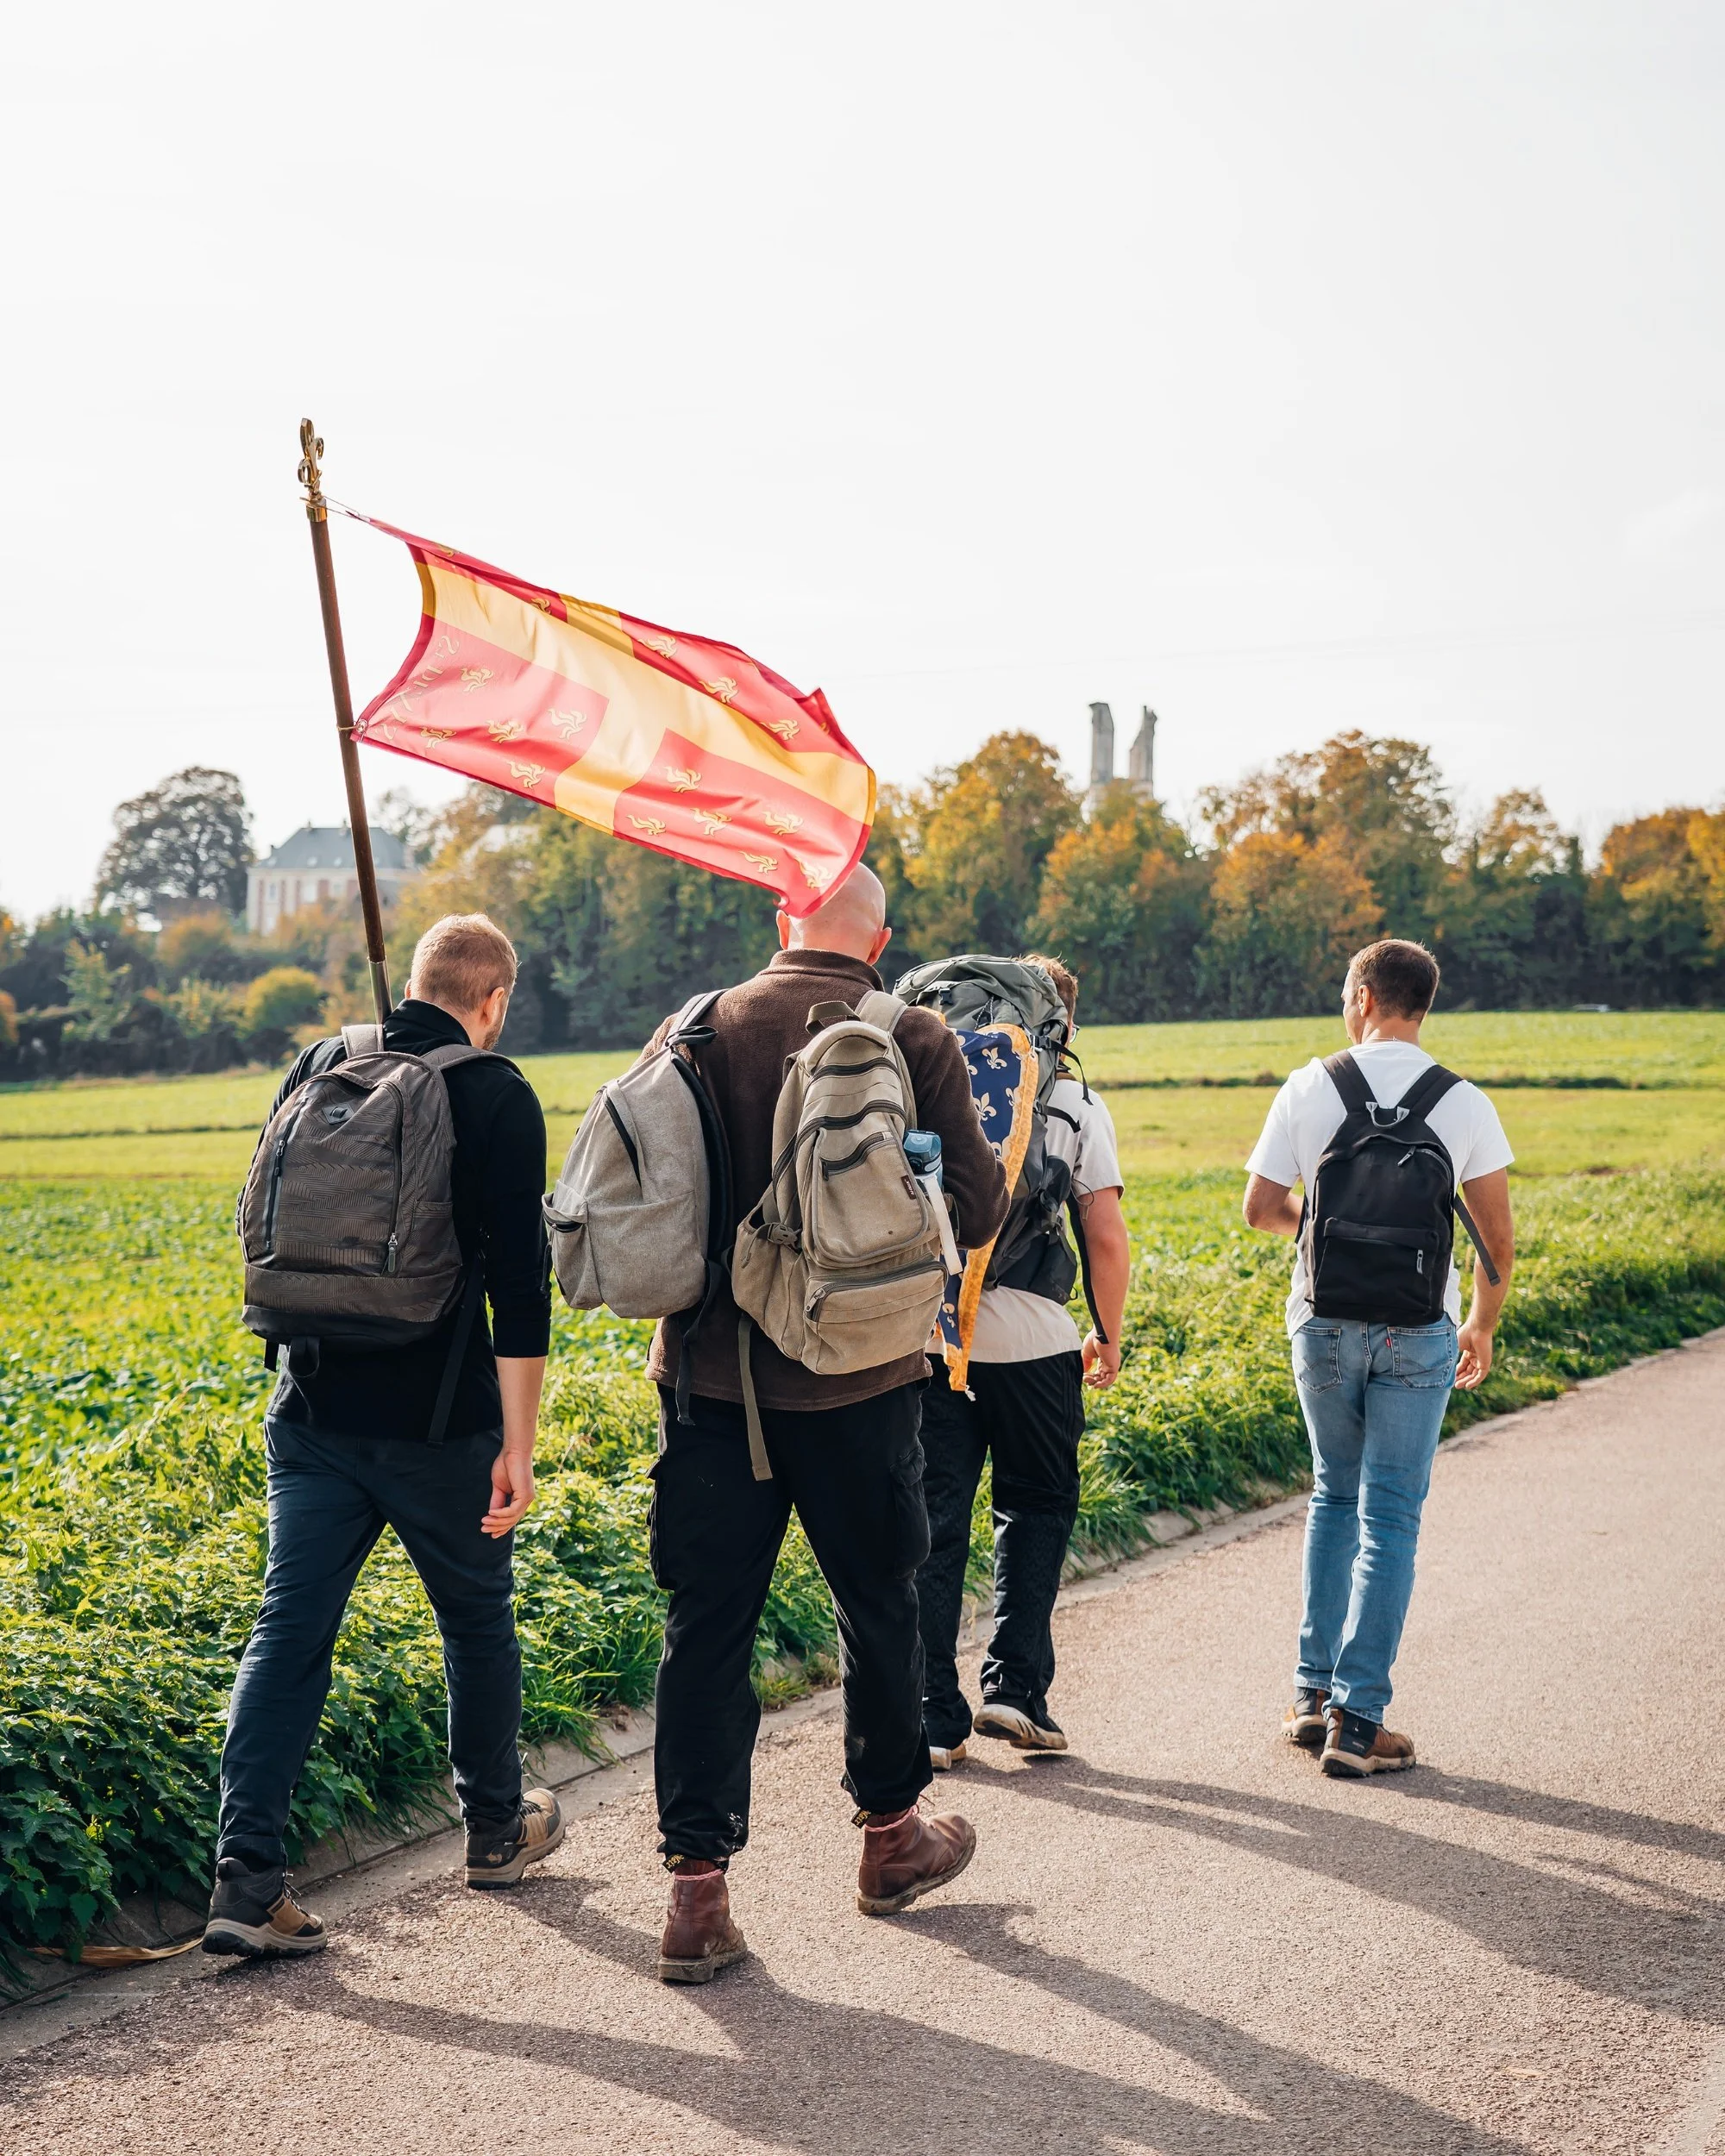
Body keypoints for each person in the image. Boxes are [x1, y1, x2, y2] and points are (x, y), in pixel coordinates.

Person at [641, 863, 1009, 1984]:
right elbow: (980, 1208)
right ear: (880, 941)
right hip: (859, 1383)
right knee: (879, 1605)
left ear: (780, 918)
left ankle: (695, 1894)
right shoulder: (911, 1034)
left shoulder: (692, 1026)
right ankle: (891, 1841)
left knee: (706, 1629)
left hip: (708, 1386)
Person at [204, 913, 562, 1959]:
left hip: (309, 1412)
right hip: (438, 1424)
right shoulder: (494, 1092)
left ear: (414, 981)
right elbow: (518, 1289)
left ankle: (244, 1878)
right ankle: (494, 1828)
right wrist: (517, 1445)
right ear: (493, 999)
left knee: (288, 1631)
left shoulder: (321, 1063)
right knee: (475, 1621)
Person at [1242, 937, 1515, 1777]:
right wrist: (1480, 1322)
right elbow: (1496, 1239)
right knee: (1390, 1516)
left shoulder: (1307, 1086)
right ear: (1421, 1005)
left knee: (1333, 1495)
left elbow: (1260, 1207)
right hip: (1419, 1328)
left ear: (1362, 997)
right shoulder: (1463, 1102)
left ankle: (1309, 1695)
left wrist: (1326, 1234)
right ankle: (1357, 1724)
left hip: (1322, 1322)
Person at [915, 955, 1131, 1766]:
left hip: (931, 1339)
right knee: (1036, 1506)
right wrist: (1107, 1331)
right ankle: (1015, 1690)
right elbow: (1104, 1236)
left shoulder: (931, 1082)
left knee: (934, 1522)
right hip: (1035, 1341)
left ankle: (932, 1715)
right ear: (1061, 1023)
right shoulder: (1070, 1101)